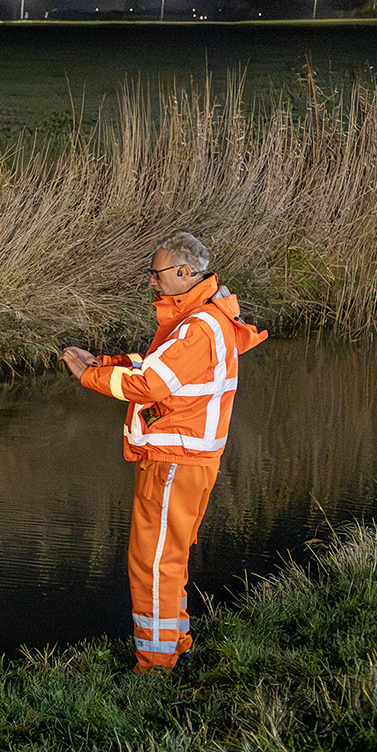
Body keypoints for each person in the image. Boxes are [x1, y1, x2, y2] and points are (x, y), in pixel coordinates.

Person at [59, 232, 267, 672]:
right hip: (187, 461)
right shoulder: (205, 319)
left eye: (156, 273)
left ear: (185, 272)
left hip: (174, 460)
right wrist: (104, 363)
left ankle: (155, 665)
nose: (150, 281)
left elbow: (150, 384)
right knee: (168, 558)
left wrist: (88, 377)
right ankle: (175, 645)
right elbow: (157, 366)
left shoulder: (197, 328)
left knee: (152, 563)